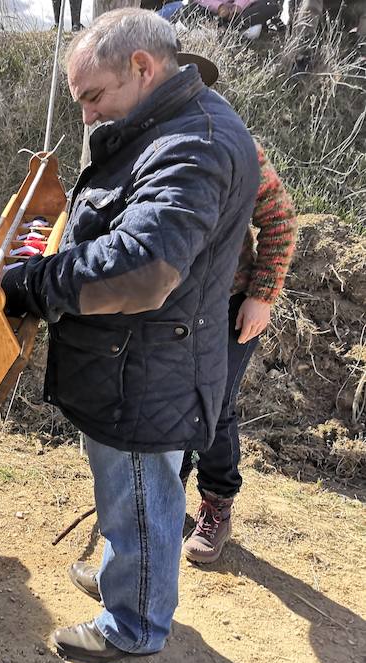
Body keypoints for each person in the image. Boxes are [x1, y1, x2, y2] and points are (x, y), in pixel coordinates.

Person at [0, 8, 259, 663]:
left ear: (143, 68)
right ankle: (130, 569)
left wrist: (30, 282)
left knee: (142, 490)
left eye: (94, 96)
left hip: (146, 365)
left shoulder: (192, 142)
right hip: (138, 356)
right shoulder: (159, 122)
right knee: (137, 489)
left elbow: (143, 268)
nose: (86, 114)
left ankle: (136, 619)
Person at [176, 57, 299, 564]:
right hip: (169, 305)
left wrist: (262, 295)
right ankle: (160, 499)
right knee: (165, 403)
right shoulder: (145, 144)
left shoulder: (236, 145)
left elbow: (281, 220)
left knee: (213, 407)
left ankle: (216, 504)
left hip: (228, 306)